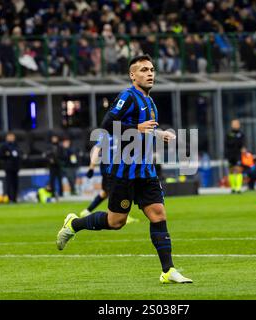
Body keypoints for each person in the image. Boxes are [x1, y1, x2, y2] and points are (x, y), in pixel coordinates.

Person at [56, 54, 192, 284]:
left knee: (158, 214)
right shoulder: (127, 97)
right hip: (125, 171)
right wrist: (136, 126)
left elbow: (144, 130)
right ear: (132, 75)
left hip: (146, 171)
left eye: (151, 69)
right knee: (115, 222)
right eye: (143, 70)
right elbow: (107, 124)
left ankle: (168, 270)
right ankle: (74, 224)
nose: (150, 73)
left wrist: (160, 133)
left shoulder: (150, 101)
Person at [0, 132, 22, 203]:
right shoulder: (4, 146)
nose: (11, 138)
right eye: (10, 136)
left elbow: (20, 154)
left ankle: (14, 198)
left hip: (16, 167)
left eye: (12, 137)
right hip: (8, 167)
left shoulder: (16, 145)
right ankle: (9, 198)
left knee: (15, 183)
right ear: (7, 137)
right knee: (8, 183)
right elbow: (0, 155)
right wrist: (6, 155)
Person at [224, 119, 245, 193]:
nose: (236, 125)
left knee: (239, 169)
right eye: (234, 124)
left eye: (237, 124)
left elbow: (243, 144)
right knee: (231, 170)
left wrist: (243, 149)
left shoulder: (241, 134)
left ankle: (238, 188)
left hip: (238, 154)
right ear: (232, 125)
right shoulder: (229, 134)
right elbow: (227, 144)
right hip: (230, 154)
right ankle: (233, 187)